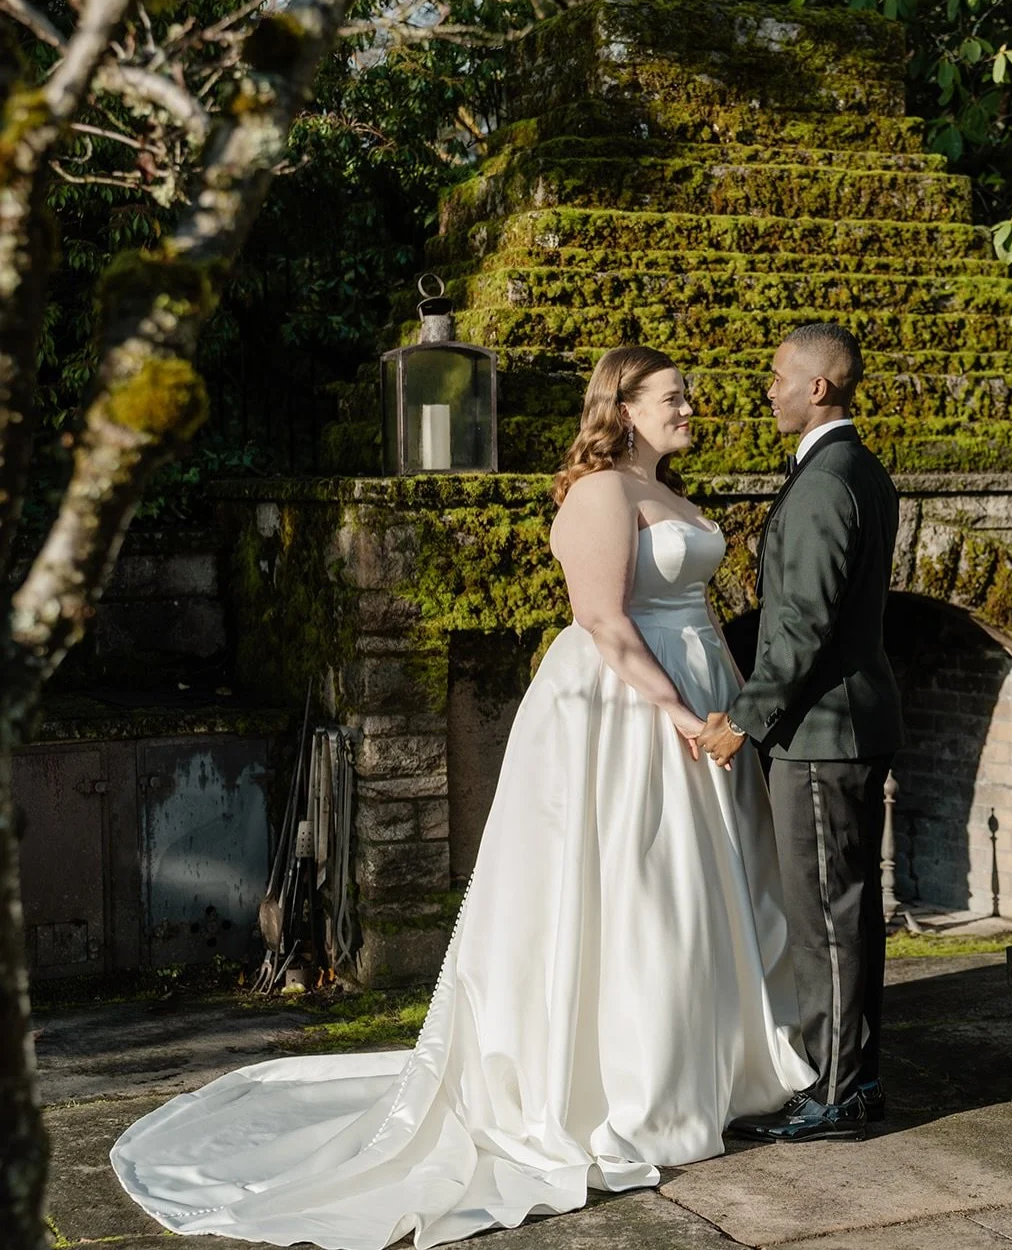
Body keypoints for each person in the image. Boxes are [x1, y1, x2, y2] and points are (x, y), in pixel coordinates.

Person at [111, 345, 812, 1250]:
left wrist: (723, 694)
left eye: (687, 395)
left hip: (696, 684)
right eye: (673, 397)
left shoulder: (671, 491)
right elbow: (601, 619)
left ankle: (710, 1069)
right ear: (623, 406)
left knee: (702, 885)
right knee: (637, 889)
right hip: (623, 705)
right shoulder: (599, 491)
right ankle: (632, 1086)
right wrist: (677, 712)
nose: (690, 407)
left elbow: (689, 603)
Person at [698, 322, 903, 1143]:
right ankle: (847, 1079)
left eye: (778, 376)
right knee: (838, 911)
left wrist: (742, 724)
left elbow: (803, 627)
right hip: (836, 726)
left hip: (822, 734)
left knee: (827, 916)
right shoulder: (852, 468)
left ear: (818, 387)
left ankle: (840, 1092)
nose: (768, 389)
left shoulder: (825, 481)